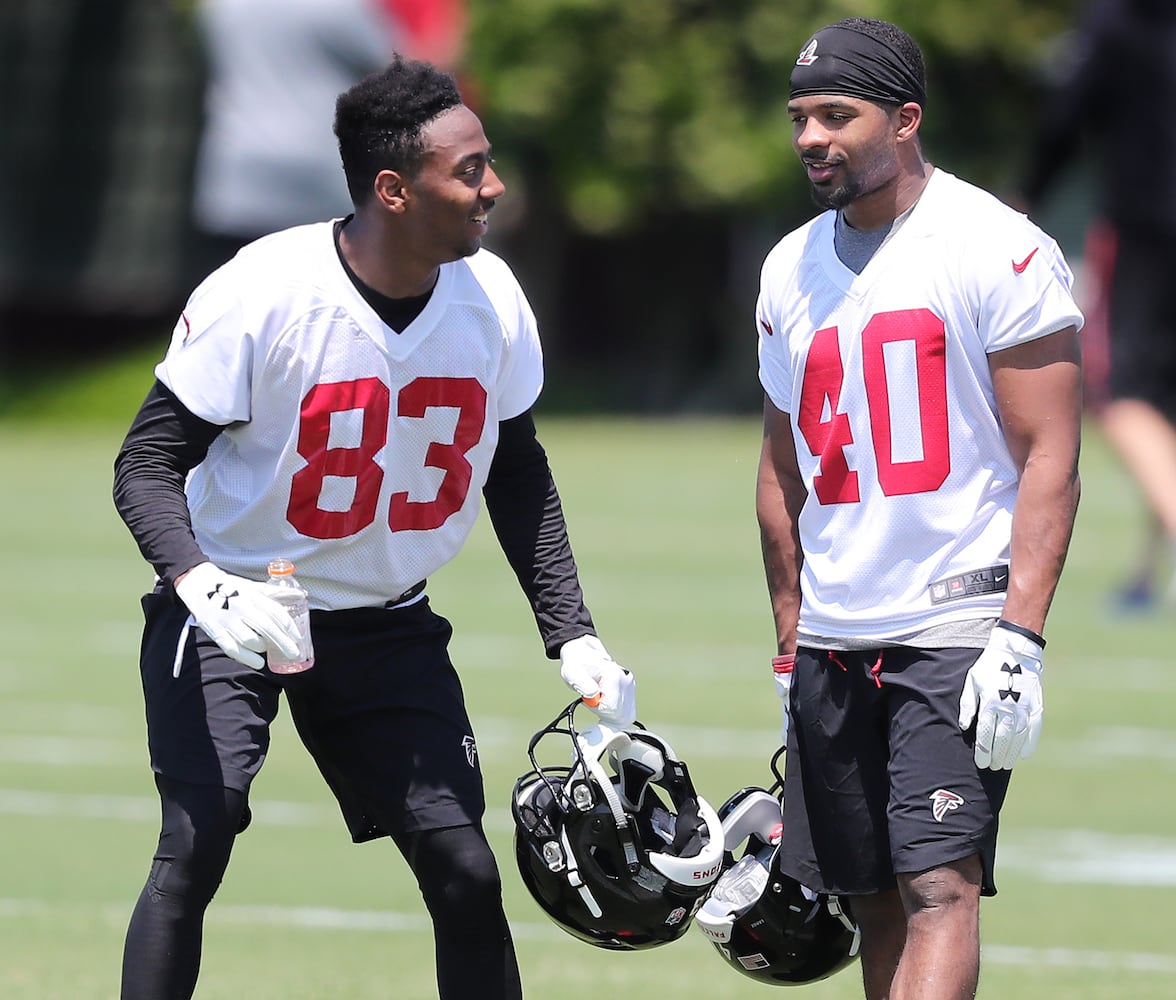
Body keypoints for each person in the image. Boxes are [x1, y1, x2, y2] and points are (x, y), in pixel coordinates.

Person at [112, 55, 635, 1000]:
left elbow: (515, 471)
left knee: (467, 875)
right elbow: (145, 466)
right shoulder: (264, 290)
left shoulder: (494, 299)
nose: (494, 185)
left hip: (386, 619)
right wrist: (203, 585)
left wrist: (573, 631)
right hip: (236, 606)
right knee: (195, 844)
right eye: (468, 169)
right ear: (393, 189)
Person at [755, 18, 1082, 1000]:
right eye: (801, 116)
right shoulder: (786, 268)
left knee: (942, 881)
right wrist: (788, 641)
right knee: (874, 900)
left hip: (954, 620)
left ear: (905, 120)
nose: (813, 135)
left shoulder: (996, 246)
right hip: (835, 627)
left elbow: (1052, 451)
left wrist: (1019, 636)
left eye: (836, 114)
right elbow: (782, 472)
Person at [1019, 0, 1176, 610]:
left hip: (1146, 230)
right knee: (1162, 407)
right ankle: (1147, 573)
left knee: (1126, 399)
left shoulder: (1118, 19)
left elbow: (1068, 112)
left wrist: (1024, 195)